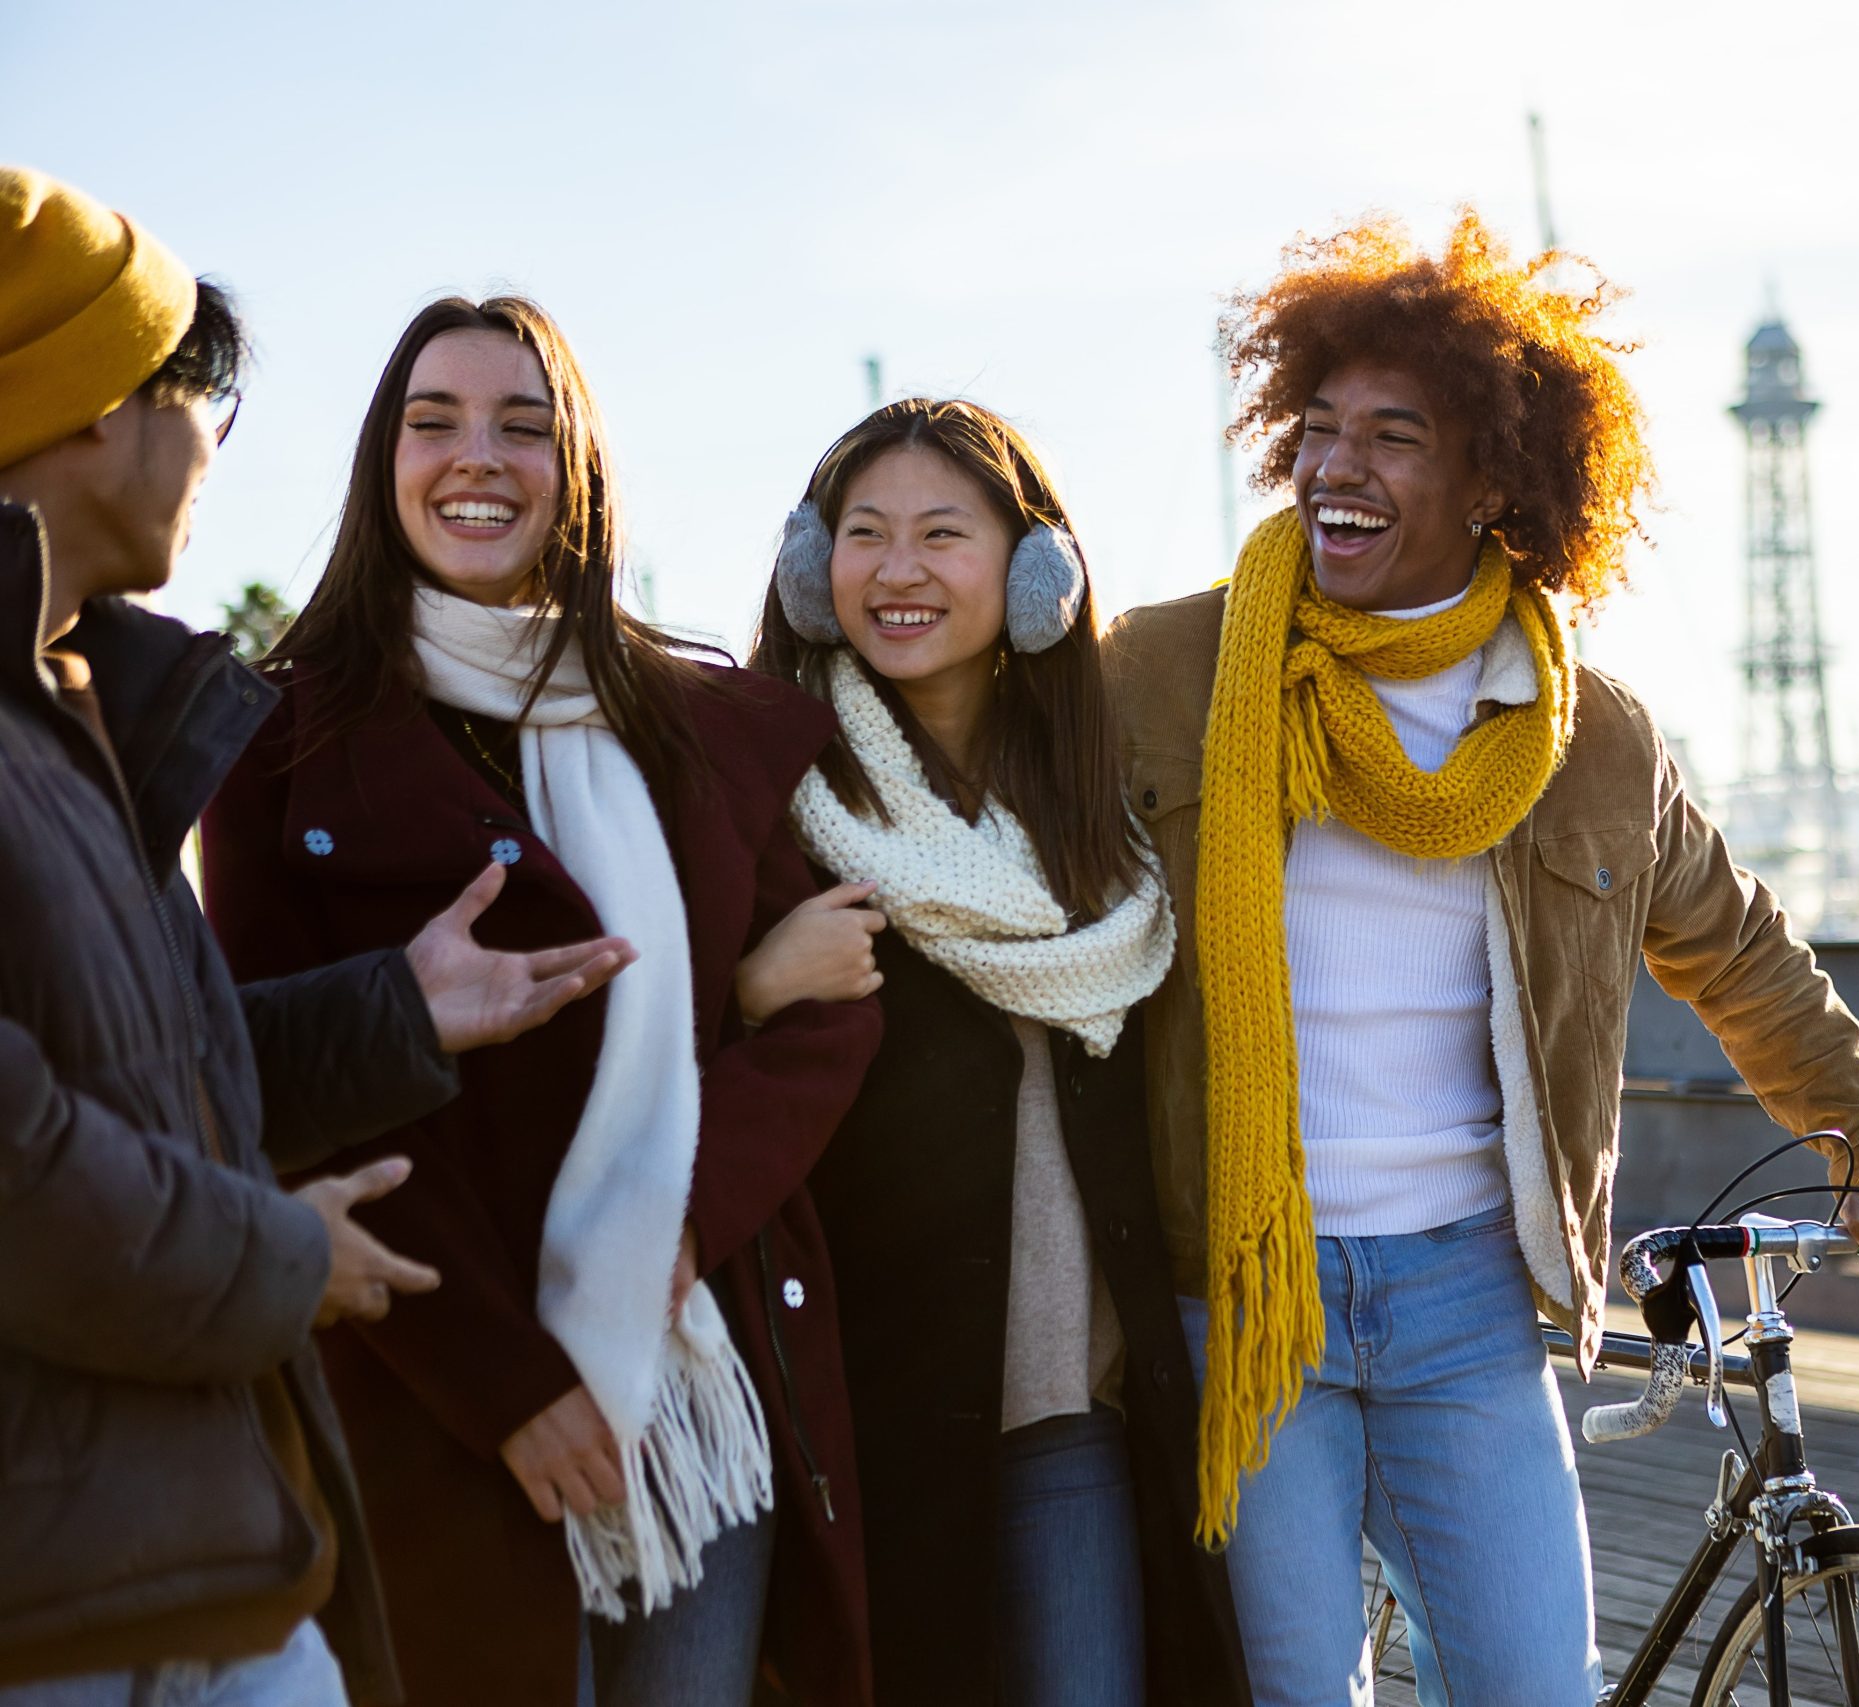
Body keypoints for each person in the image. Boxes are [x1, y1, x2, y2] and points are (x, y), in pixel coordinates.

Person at [1101, 212, 1859, 1706]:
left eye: (1393, 435)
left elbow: (1739, 949)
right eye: (1316, 430)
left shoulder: (1592, 740)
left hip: (1466, 1297)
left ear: (1492, 476)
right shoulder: (1168, 671)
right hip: (1239, 1290)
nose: (1335, 469)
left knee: (1527, 1687)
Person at [0, 168, 635, 1705]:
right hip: (68, 1603)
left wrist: (398, 1014)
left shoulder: (83, 711)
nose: (216, 440)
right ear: (94, 406)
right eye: (198, 381)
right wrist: (291, 1259)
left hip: (200, 1559)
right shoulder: (175, 730)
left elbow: (157, 1071)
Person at [199, 296, 883, 1707]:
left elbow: (832, 1001)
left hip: (693, 1386)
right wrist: (506, 1385)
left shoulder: (686, 719)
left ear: (578, 469)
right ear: (380, 463)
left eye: (525, 426)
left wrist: (681, 1221)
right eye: (432, 422)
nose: (479, 459)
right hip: (440, 1404)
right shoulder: (277, 743)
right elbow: (285, 1092)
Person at [738, 398, 1248, 1705]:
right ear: (812, 567)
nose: (898, 571)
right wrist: (755, 985)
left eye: (940, 535)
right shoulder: (766, 792)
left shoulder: (1096, 810)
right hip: (862, 1416)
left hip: (1075, 1402)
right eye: (864, 534)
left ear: (1034, 573)